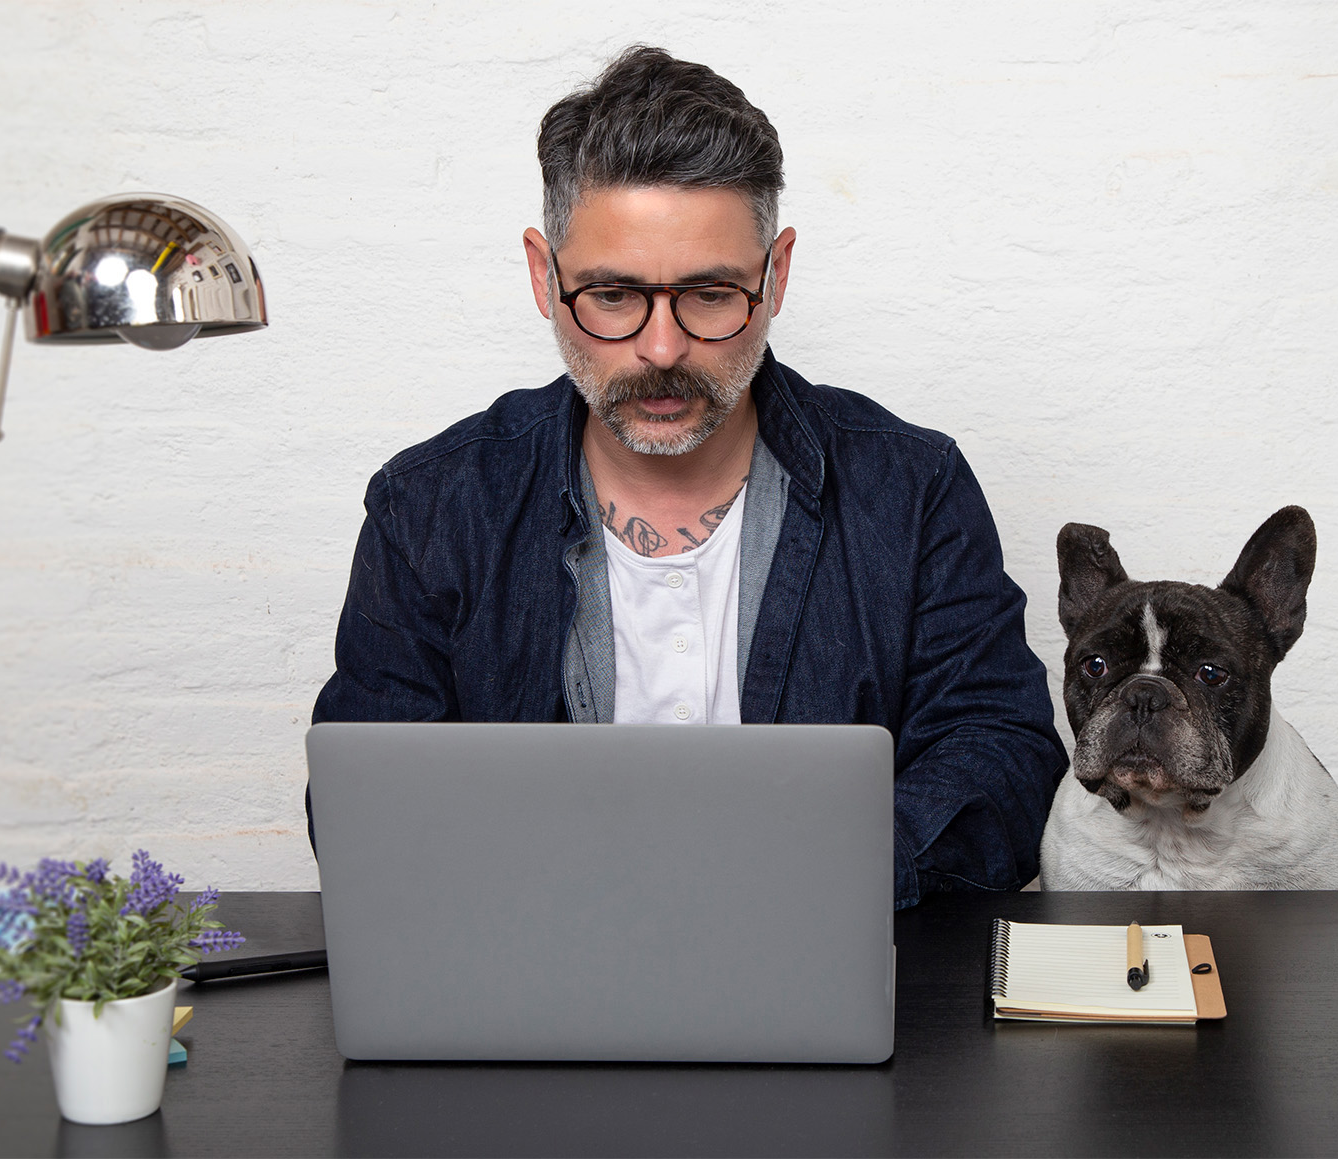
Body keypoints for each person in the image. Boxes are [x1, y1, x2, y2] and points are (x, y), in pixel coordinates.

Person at [311, 46, 1066, 909]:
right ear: (541, 274)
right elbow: (359, 807)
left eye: (711, 295)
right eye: (613, 296)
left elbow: (1002, 754)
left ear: (775, 275)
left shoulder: (914, 486)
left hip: (818, 972)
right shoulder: (430, 508)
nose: (661, 350)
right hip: (528, 988)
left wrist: (807, 882)